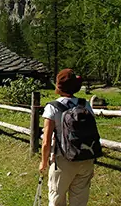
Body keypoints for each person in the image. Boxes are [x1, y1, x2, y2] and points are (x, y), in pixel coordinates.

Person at [39, 68, 95, 206]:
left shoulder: (52, 107)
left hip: (63, 160)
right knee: (79, 201)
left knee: (57, 199)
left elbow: (46, 141)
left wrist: (43, 162)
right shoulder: (85, 104)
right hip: (85, 158)